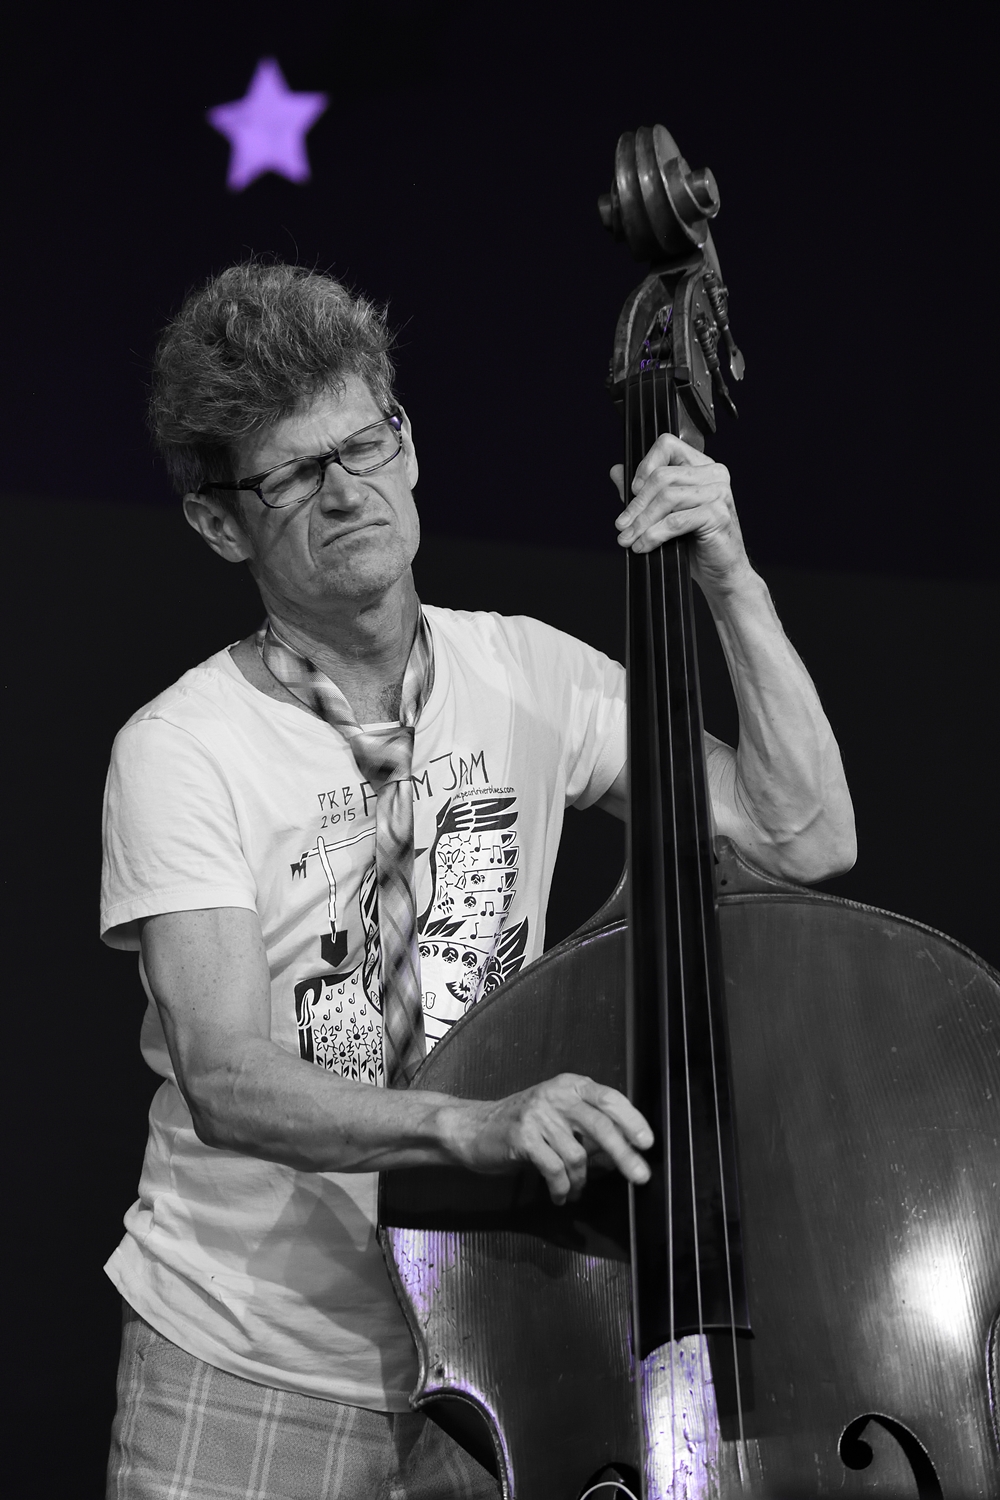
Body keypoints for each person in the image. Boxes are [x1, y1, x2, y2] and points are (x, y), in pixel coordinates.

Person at [100, 261, 856, 1500]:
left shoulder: (530, 675)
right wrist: (473, 1125)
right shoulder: (181, 748)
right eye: (293, 474)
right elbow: (228, 1080)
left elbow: (801, 837)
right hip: (248, 1363)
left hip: (490, 1348)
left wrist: (727, 574)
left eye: (365, 442)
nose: (347, 491)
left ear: (407, 445)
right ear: (219, 523)